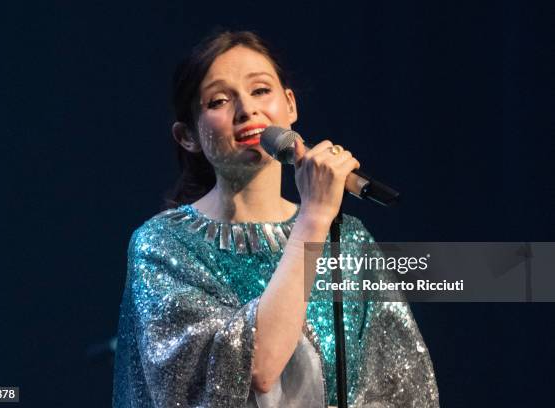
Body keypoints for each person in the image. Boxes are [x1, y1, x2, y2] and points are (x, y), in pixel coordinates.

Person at [112, 31, 439, 408]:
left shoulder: (346, 239)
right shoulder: (163, 245)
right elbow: (256, 370)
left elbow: (404, 391)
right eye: (220, 100)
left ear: (290, 105)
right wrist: (315, 215)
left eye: (261, 91)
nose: (247, 109)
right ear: (188, 136)